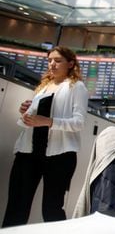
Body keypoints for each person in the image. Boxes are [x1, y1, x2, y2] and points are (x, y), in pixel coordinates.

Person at [2, 46, 89, 227]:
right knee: (16, 207)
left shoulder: (77, 87)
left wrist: (48, 121)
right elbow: (34, 120)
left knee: (51, 210)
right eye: (50, 60)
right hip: (28, 152)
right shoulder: (42, 87)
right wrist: (25, 112)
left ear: (71, 63)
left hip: (60, 156)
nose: (52, 64)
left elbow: (79, 123)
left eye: (58, 61)